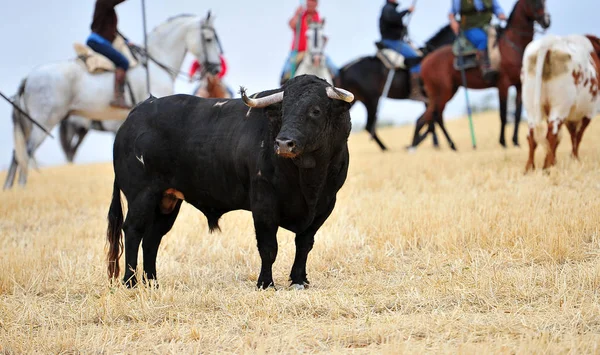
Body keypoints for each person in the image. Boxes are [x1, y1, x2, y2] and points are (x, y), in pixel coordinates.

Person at [280, 0, 338, 84]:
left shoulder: (318, 17)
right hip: (299, 51)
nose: (310, 3)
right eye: (309, 1)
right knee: (286, 71)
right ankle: (285, 88)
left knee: (334, 69)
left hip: (315, 51)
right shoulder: (301, 15)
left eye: (313, 1)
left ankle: (337, 85)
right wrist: (297, 14)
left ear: (316, 4)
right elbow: (291, 25)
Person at [379, 0, 427, 102]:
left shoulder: (391, 9)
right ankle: (416, 91)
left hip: (398, 40)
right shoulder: (387, 8)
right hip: (391, 41)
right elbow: (393, 18)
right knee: (415, 58)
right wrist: (407, 11)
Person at [87, 0, 131, 109]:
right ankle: (118, 96)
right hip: (98, 41)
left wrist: (126, 41)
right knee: (123, 62)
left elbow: (114, 31)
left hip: (101, 41)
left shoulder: (108, 11)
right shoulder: (102, 2)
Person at [449, 0, 507, 82]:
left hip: (487, 25)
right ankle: (485, 67)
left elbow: (497, 8)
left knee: (500, 38)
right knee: (482, 40)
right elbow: (451, 13)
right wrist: (453, 22)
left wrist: (501, 15)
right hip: (470, 27)